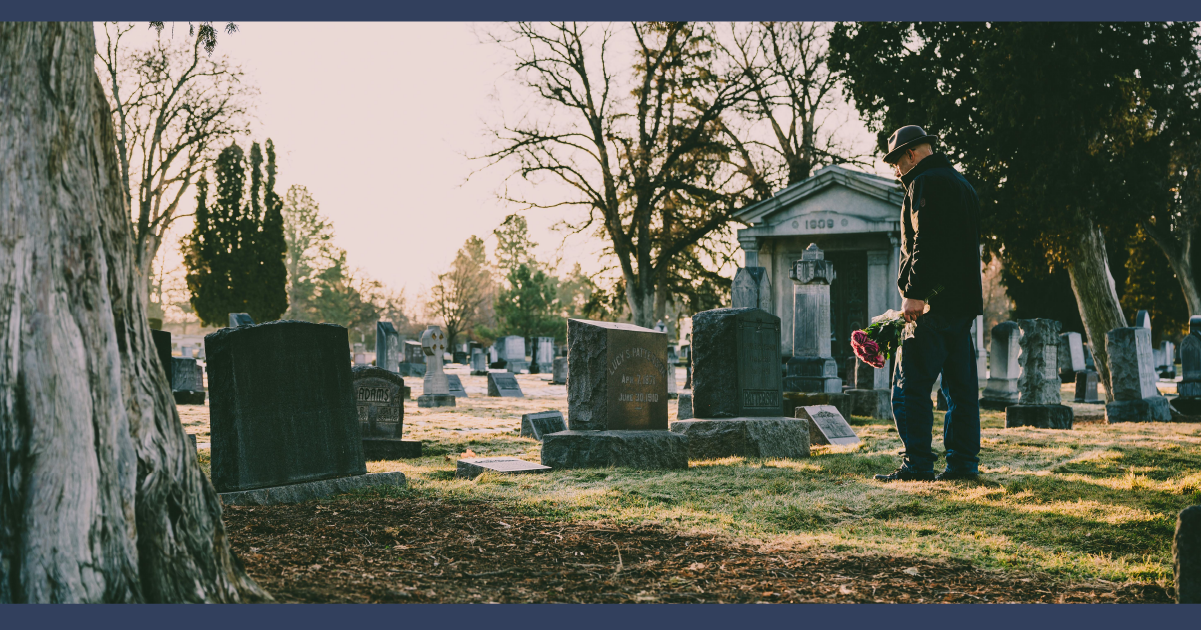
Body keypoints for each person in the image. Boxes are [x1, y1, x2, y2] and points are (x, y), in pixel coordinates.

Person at [874, 125, 984, 482]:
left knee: (909, 387)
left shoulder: (926, 183)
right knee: (960, 390)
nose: (895, 170)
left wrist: (915, 294)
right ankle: (962, 465)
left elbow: (926, 242)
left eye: (895, 161)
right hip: (962, 306)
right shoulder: (963, 185)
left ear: (909, 154)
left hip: (930, 305)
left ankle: (918, 464)